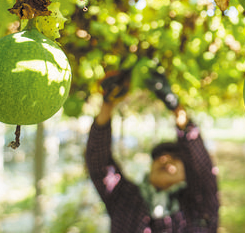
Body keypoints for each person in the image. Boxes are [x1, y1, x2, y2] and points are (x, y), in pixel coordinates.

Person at [86, 67, 219, 233]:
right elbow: (99, 163)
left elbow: (202, 166)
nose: (165, 159)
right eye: (158, 157)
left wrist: (176, 107)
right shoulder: (125, 198)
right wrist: (108, 103)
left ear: (187, 173)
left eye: (175, 157)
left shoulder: (200, 204)